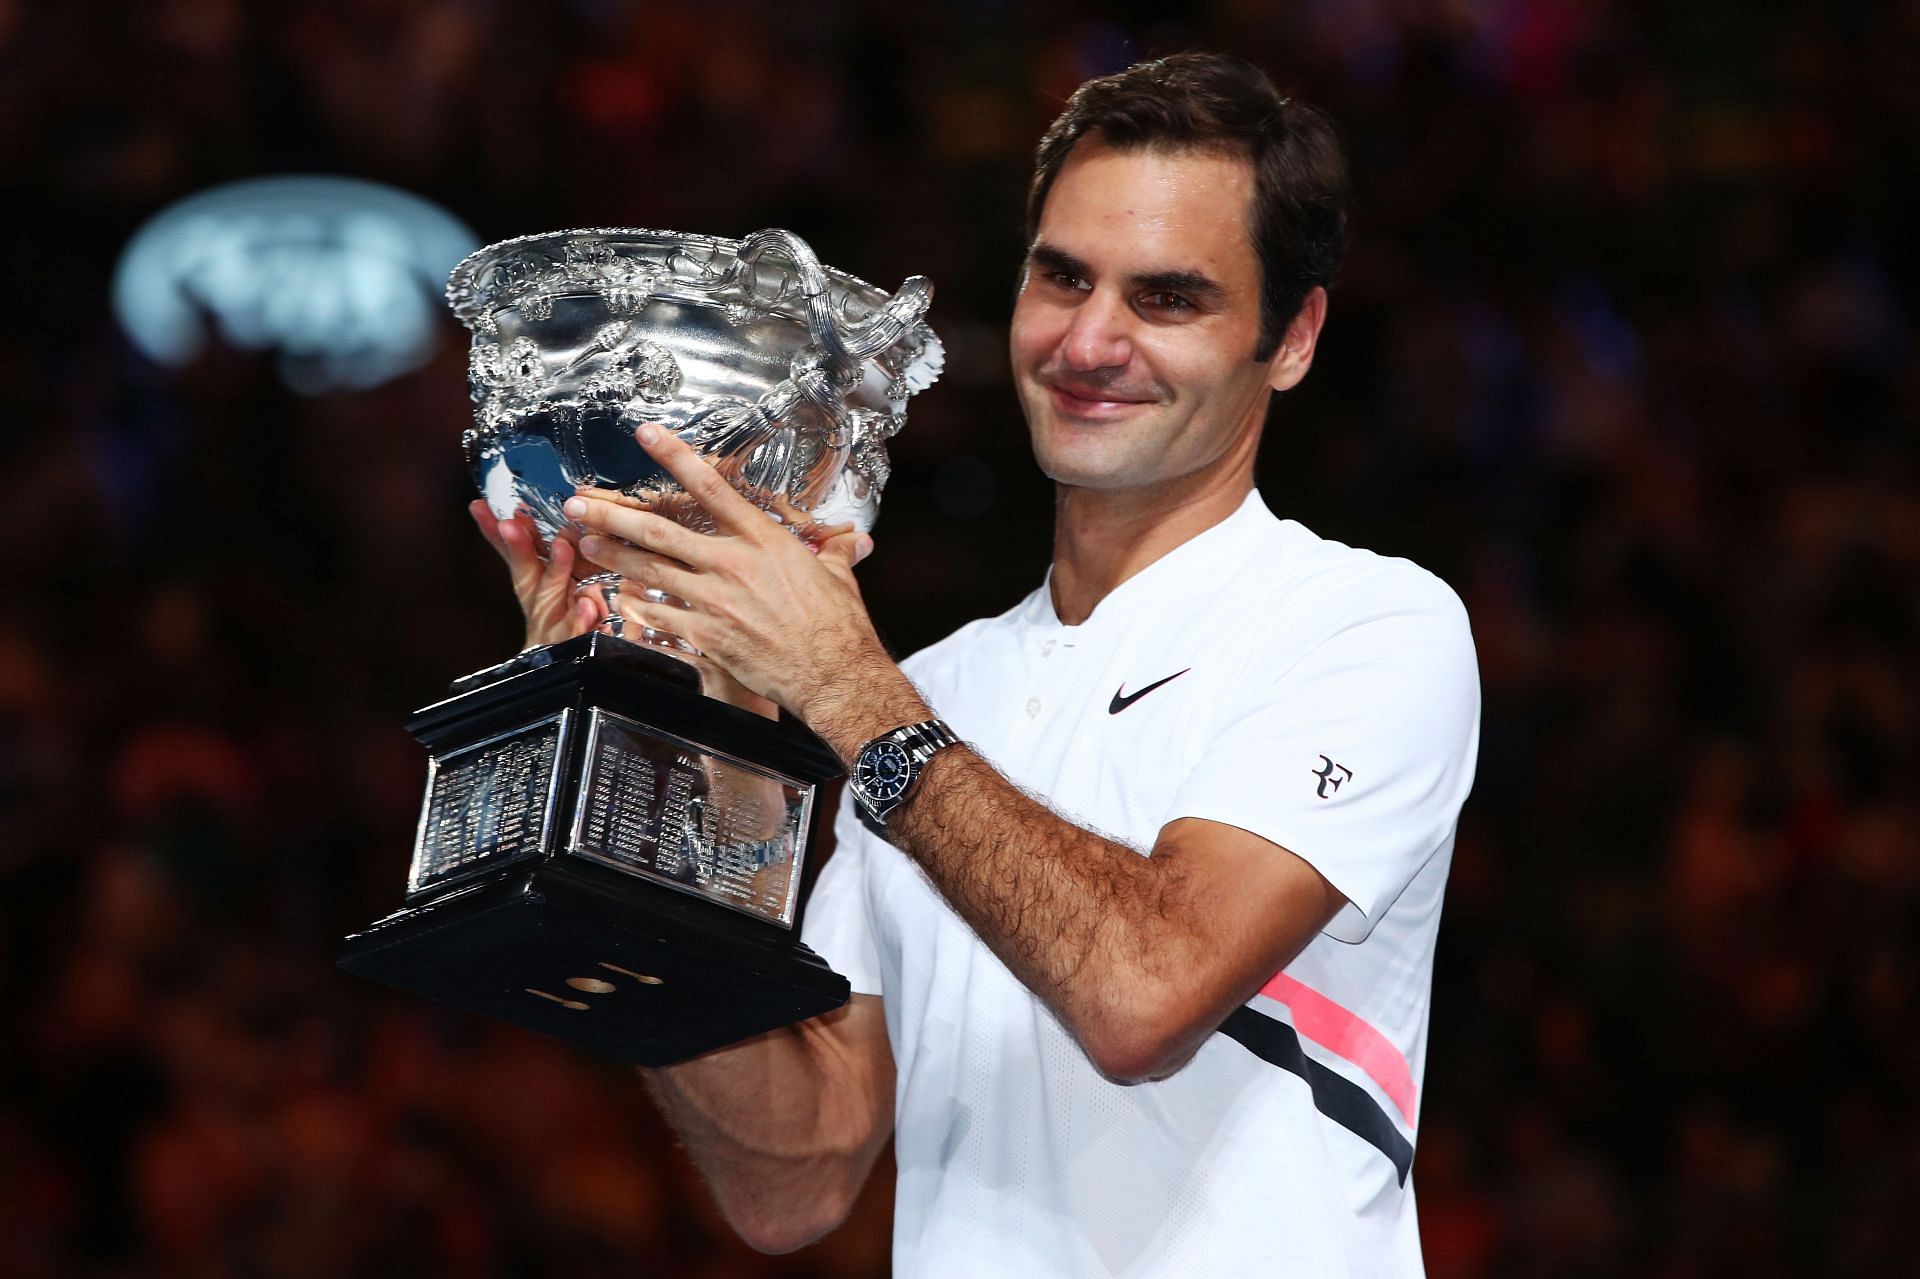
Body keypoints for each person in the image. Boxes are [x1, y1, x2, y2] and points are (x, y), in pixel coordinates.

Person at [478, 52, 1479, 1278]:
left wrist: (847, 688)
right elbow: (793, 1169)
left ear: (1293, 337)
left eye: (1168, 299)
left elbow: (1145, 993)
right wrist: (635, 760)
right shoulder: (936, 689)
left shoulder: (1368, 626)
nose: (1090, 340)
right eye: (1062, 277)